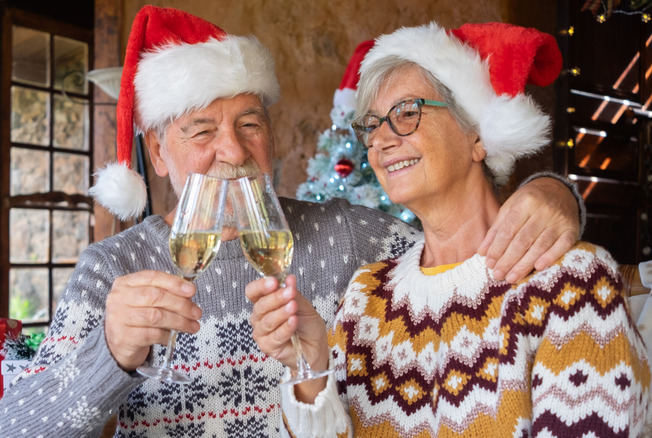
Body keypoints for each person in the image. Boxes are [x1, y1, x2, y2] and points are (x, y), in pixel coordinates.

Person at [0, 8, 584, 437]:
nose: (233, 150)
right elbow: (16, 430)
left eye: (250, 123)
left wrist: (554, 194)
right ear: (157, 152)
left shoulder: (349, 235)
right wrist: (111, 356)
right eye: (202, 130)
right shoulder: (113, 268)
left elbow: (471, 252)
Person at [246, 22, 651, 437]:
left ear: (478, 135)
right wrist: (311, 368)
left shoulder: (571, 282)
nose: (380, 141)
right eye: (370, 124)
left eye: (406, 113)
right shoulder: (365, 297)